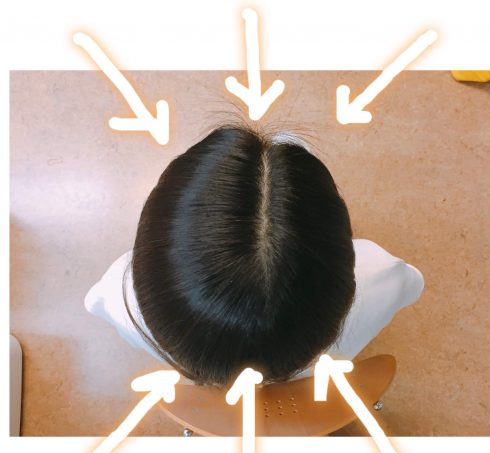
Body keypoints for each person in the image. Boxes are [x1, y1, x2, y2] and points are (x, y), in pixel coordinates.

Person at [85, 125, 424, 388]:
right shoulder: (382, 275)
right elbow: (413, 284)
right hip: (317, 390)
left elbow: (93, 302)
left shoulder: (118, 296)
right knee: (288, 143)